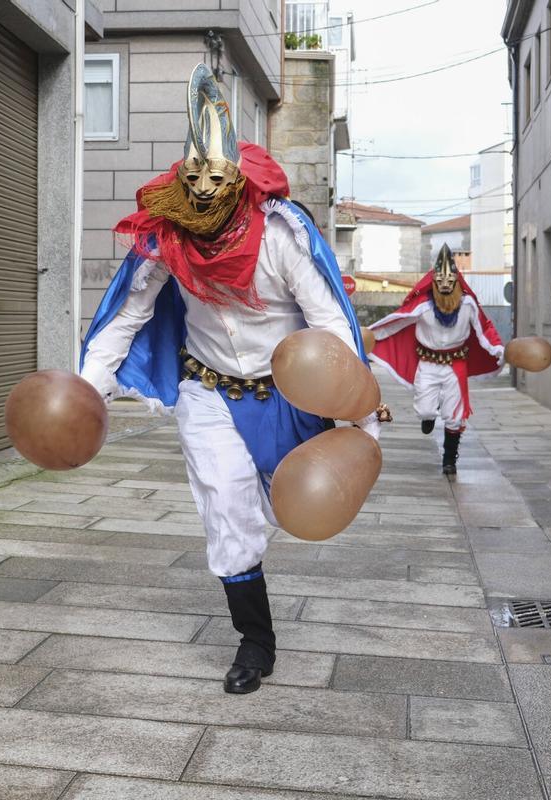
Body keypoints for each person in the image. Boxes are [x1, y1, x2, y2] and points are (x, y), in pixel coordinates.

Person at [79, 64, 380, 694]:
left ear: (237, 183)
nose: (204, 200)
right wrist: (88, 390)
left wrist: (358, 410)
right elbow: (127, 314)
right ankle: (255, 640)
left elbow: (330, 319)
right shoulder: (166, 238)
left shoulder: (280, 234)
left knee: (285, 506)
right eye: (194, 184)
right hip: (208, 389)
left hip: (289, 395)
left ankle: (269, 532)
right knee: (226, 507)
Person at [368, 244, 504, 475]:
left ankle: (449, 459)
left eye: (449, 282)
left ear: (456, 282)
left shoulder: (468, 305)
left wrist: (496, 347)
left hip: (455, 365)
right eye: (440, 282)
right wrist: (368, 336)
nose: (445, 287)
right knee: (425, 411)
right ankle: (429, 416)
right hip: (428, 364)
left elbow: (484, 327)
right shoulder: (422, 306)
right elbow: (396, 321)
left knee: (454, 415)